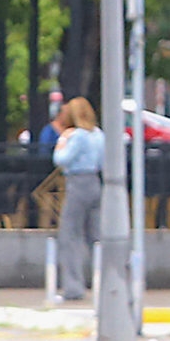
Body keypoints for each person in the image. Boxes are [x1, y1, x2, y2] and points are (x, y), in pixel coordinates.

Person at [50, 97, 104, 302]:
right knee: (96, 236)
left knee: (69, 236)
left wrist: (62, 141)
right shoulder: (98, 134)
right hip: (95, 183)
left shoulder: (77, 136)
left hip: (77, 183)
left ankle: (73, 287)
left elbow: (61, 160)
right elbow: (103, 161)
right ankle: (107, 281)